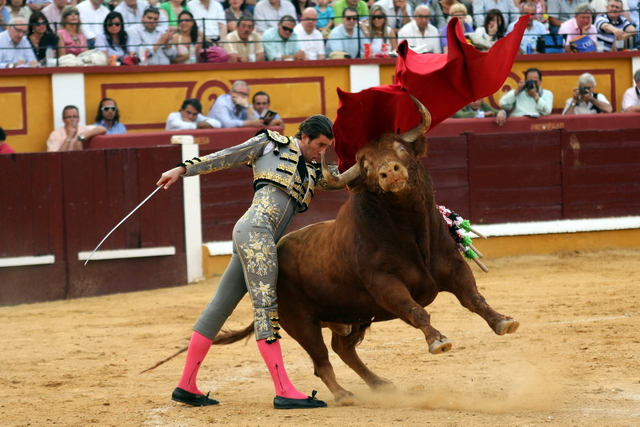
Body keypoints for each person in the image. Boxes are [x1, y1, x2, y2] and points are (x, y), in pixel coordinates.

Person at [156, 114, 338, 410]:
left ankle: (186, 385)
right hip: (256, 232)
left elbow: (340, 178)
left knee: (219, 307)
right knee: (266, 308)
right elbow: (226, 156)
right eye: (319, 145)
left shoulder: (314, 170)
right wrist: (181, 169)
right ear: (303, 137)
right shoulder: (270, 143)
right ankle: (284, 389)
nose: (322, 152)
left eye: (326, 147)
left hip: (257, 236)